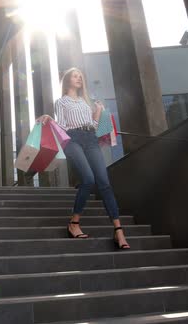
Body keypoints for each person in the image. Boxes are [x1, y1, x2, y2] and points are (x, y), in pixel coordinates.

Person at [36, 67, 130, 250]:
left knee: (104, 182)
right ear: (67, 80)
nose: (79, 78)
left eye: (80, 76)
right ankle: (74, 223)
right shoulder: (61, 102)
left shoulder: (86, 102)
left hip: (90, 139)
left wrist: (98, 113)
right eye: (75, 76)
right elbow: (62, 126)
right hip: (72, 140)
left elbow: (94, 126)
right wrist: (49, 118)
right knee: (88, 179)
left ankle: (118, 230)